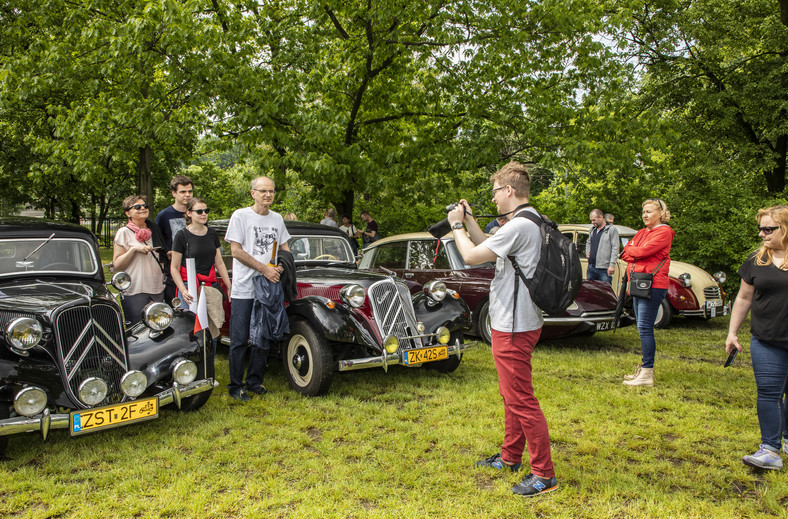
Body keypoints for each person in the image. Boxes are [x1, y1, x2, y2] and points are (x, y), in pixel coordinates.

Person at [447, 161, 558, 498]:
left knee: (521, 399)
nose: (493, 198)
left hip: (513, 324)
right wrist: (470, 222)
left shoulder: (518, 226)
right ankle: (510, 458)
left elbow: (469, 256)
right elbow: (490, 250)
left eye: (495, 191)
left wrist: (455, 227)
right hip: (522, 320)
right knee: (511, 395)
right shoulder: (532, 220)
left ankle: (544, 475)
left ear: (509, 191)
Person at [725, 205, 788, 470]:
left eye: (768, 229)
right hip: (765, 338)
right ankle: (770, 450)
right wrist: (732, 332)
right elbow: (744, 297)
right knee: (769, 392)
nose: (762, 234)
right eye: (760, 228)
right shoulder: (756, 261)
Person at [224, 176, 291, 401]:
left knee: (263, 337)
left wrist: (280, 267)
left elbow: (285, 247)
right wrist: (264, 269)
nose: (268, 195)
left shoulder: (277, 218)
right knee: (240, 338)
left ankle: (255, 382)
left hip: (268, 287)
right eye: (263, 191)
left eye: (271, 191)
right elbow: (236, 251)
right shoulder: (240, 216)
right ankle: (235, 386)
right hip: (245, 287)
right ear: (253, 193)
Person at [620, 198, 674, 387]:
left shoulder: (664, 232)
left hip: (653, 284)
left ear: (661, 213)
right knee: (641, 326)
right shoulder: (643, 232)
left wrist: (635, 251)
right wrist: (635, 251)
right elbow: (625, 252)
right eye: (644, 211)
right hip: (637, 283)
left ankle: (647, 373)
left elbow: (642, 252)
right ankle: (643, 368)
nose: (645, 215)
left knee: (645, 327)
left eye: (649, 211)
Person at [170, 198, 232, 356]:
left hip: (209, 287)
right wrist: (183, 290)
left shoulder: (211, 233)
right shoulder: (182, 235)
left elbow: (219, 263)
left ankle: (209, 368)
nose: (204, 214)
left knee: (212, 330)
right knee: (189, 330)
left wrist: (229, 286)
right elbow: (174, 268)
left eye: (206, 211)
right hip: (189, 286)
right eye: (199, 211)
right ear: (189, 213)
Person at [113, 195, 167, 325]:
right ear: (128, 213)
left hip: (156, 288)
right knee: (137, 329)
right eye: (137, 207)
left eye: (145, 206)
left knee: (158, 327)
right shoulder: (123, 232)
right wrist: (133, 250)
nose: (142, 208)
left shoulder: (153, 229)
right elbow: (118, 264)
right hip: (135, 289)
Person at [155, 175, 194, 303]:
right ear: (174, 193)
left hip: (194, 269)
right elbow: (158, 243)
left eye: (190, 191)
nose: (187, 195)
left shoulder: (197, 213)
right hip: (172, 271)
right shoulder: (163, 216)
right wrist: (167, 253)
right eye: (183, 191)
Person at [586, 208, 619, 284]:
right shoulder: (593, 230)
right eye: (591, 220)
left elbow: (615, 247)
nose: (592, 222)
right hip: (591, 266)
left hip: (604, 268)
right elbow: (588, 242)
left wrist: (611, 265)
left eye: (594, 220)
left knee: (604, 292)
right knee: (590, 290)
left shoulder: (611, 230)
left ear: (601, 217)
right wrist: (587, 252)